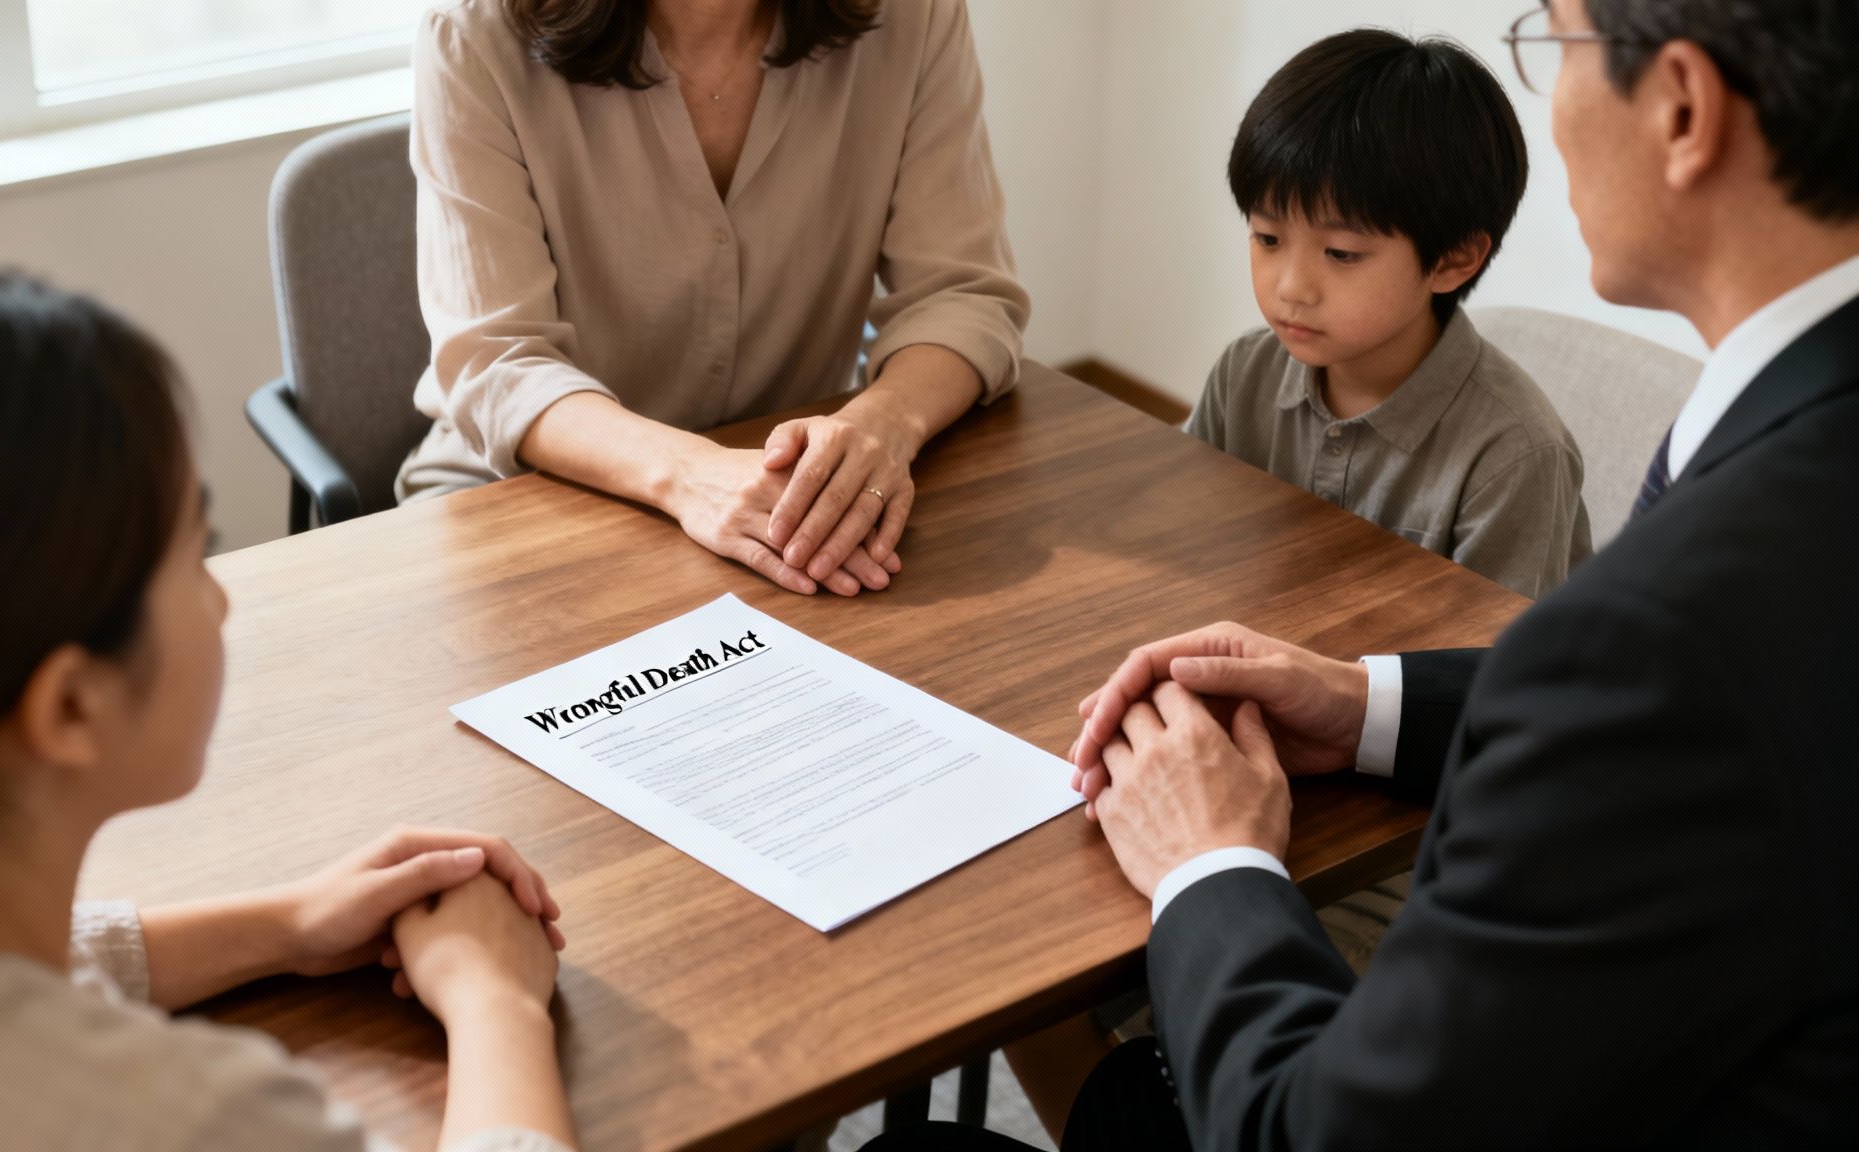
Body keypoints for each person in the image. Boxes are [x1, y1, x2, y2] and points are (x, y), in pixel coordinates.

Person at [877, 0, 1859, 1146]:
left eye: (1555, 39)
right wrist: (1366, 704)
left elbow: (1332, 1127)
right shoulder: (1782, 476)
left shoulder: (1658, 616)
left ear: (1680, 108)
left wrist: (1212, 861)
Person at [0, 268, 577, 1151]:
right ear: (69, 705)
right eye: (195, 554)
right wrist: (497, 1002)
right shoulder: (179, 1114)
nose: (220, 602)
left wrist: (286, 924)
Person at [398, 0, 1030, 599]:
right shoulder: (474, 35)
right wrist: (692, 475)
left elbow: (962, 294)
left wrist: (883, 426)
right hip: (523, 493)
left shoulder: (911, 17)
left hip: (785, 501)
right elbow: (497, 363)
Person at [1185, 28, 1591, 600]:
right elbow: (1187, 542)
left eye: (1341, 253)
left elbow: (1490, 667)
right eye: (1267, 238)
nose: (1291, 288)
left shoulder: (1514, 454)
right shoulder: (1245, 373)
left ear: (1453, 259)